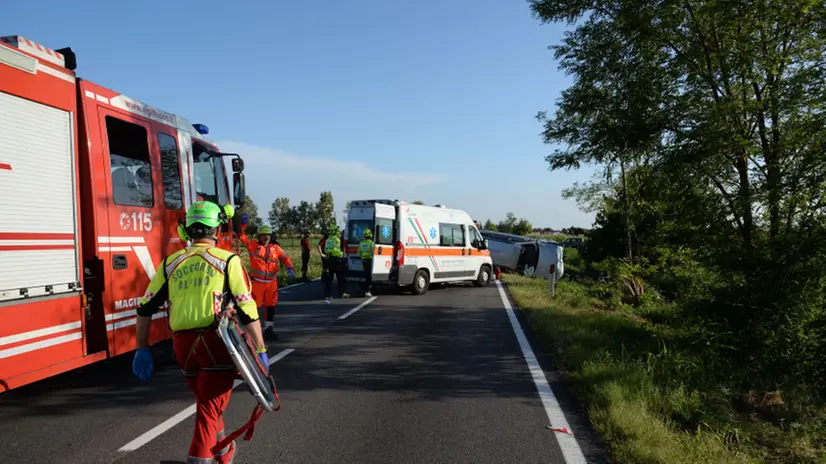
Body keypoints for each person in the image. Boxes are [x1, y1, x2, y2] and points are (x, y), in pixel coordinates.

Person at [131, 201, 267, 464]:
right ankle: (200, 458)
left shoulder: (171, 262)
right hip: (215, 346)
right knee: (208, 409)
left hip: (183, 349)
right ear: (217, 228)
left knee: (208, 402)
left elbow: (144, 308)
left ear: (187, 231)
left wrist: (141, 348)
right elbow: (247, 307)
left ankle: (224, 454)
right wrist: (260, 350)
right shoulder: (228, 260)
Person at [238, 222, 294, 340]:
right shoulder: (253, 245)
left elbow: (285, 258)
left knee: (270, 307)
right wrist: (243, 226)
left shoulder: (275, 248)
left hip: (271, 283)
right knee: (254, 308)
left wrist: (290, 268)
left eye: (268, 235)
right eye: (263, 235)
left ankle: (269, 330)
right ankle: (253, 333)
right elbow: (242, 238)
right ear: (259, 236)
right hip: (257, 283)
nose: (266, 237)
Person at [319, 224, 349, 303]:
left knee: (329, 279)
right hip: (336, 260)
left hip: (329, 260)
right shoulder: (337, 240)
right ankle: (341, 293)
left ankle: (327, 295)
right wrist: (342, 256)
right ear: (335, 232)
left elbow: (325, 249)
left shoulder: (328, 240)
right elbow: (337, 250)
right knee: (340, 278)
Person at [358, 229, 374, 297]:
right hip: (370, 260)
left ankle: (365, 290)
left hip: (364, 260)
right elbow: (373, 252)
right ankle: (367, 290)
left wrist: (362, 256)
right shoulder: (371, 243)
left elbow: (359, 252)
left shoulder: (361, 243)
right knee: (369, 276)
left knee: (366, 275)